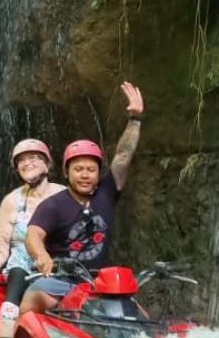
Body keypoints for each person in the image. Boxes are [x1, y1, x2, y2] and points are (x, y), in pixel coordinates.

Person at [21, 82, 144, 314]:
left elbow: (124, 155)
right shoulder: (54, 204)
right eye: (78, 169)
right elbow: (33, 235)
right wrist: (42, 257)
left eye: (91, 169)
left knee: (139, 317)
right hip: (61, 280)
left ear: (99, 173)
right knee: (33, 299)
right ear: (67, 172)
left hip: (101, 283)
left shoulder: (107, 191)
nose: (85, 175)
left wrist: (135, 120)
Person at [0, 138, 65, 338]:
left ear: (47, 164)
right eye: (21, 160)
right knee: (10, 304)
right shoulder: (12, 201)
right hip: (22, 267)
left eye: (34, 158)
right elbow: (0, 248)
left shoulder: (65, 195)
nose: (27, 163)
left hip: (60, 266)